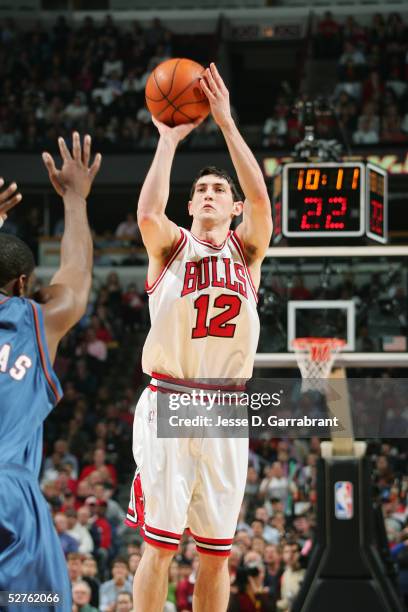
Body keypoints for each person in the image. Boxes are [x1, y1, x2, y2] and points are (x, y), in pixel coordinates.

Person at [125, 63, 272, 612]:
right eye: (201, 190)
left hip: (226, 407)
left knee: (216, 553)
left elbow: (261, 203)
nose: (209, 193)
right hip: (170, 397)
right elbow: (145, 212)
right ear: (190, 207)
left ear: (232, 208)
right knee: (158, 546)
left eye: (219, 189)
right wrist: (167, 141)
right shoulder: (170, 247)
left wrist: (228, 124)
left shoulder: (247, 251)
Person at [0, 132, 101, 610]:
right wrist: (75, 198)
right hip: (10, 495)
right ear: (22, 283)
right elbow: (76, 273)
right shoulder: (35, 320)